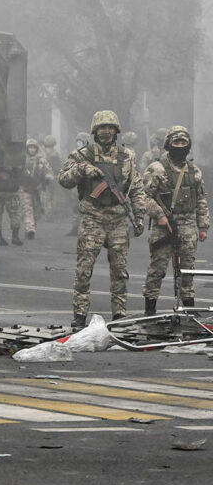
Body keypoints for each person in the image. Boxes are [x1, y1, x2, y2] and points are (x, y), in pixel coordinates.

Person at [58, 110, 156, 329]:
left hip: (118, 219)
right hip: (92, 217)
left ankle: (119, 314)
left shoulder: (127, 156)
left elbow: (136, 187)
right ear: (95, 130)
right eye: (102, 128)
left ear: (116, 130)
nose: (106, 132)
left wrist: (139, 216)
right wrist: (82, 170)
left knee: (120, 271)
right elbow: (63, 179)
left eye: (110, 128)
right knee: (84, 269)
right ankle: (80, 313)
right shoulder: (83, 155)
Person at [141, 126, 210, 314]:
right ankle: (150, 310)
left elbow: (201, 199)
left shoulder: (194, 171)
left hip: (187, 225)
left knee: (187, 270)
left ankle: (188, 311)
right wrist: (160, 215)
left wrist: (203, 225)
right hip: (164, 226)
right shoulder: (157, 168)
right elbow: (142, 197)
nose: (180, 146)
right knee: (157, 269)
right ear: (168, 144)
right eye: (176, 142)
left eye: (183, 142)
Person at [19, 138, 55, 239]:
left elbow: (48, 171)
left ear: (36, 149)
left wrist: (48, 178)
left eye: (34, 148)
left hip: (38, 189)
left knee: (37, 211)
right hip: (25, 188)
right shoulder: (22, 160)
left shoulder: (41, 160)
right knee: (27, 209)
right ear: (27, 148)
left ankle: (32, 226)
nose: (32, 150)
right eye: (30, 147)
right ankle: (30, 229)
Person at [0, 147, 23, 246]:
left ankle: (0, 238)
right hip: (11, 191)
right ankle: (15, 237)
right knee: (15, 213)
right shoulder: (16, 157)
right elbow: (20, 173)